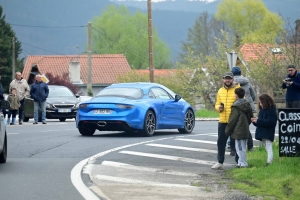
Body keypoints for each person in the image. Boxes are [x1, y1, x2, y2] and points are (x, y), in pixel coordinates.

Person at [211, 72, 240, 170]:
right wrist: (219, 108)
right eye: (226, 78)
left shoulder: (238, 89)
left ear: (232, 79)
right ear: (223, 79)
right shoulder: (220, 91)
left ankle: (239, 161)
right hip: (223, 120)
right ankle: (220, 162)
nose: (227, 80)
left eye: (229, 79)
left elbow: (242, 103)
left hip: (234, 120)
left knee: (236, 142)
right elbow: (217, 104)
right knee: (221, 142)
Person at [225, 88, 253, 168]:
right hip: (245, 128)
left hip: (238, 130)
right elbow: (250, 117)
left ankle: (243, 164)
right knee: (242, 147)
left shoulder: (236, 106)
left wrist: (227, 131)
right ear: (244, 95)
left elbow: (232, 120)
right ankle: (240, 163)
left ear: (236, 95)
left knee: (240, 148)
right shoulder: (247, 104)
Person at [231, 66, 256, 151]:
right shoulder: (247, 82)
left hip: (236, 107)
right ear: (241, 73)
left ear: (232, 74)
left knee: (235, 126)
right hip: (247, 106)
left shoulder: (231, 83)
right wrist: (250, 102)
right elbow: (253, 95)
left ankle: (233, 146)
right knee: (246, 127)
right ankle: (250, 146)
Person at [251, 94, 277, 166]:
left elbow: (271, 122)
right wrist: (255, 121)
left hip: (267, 131)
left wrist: (258, 121)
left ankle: (269, 161)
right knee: (267, 146)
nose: (260, 104)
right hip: (264, 131)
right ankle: (269, 160)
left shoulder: (271, 111)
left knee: (268, 146)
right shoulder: (263, 110)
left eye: (261, 102)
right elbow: (261, 122)